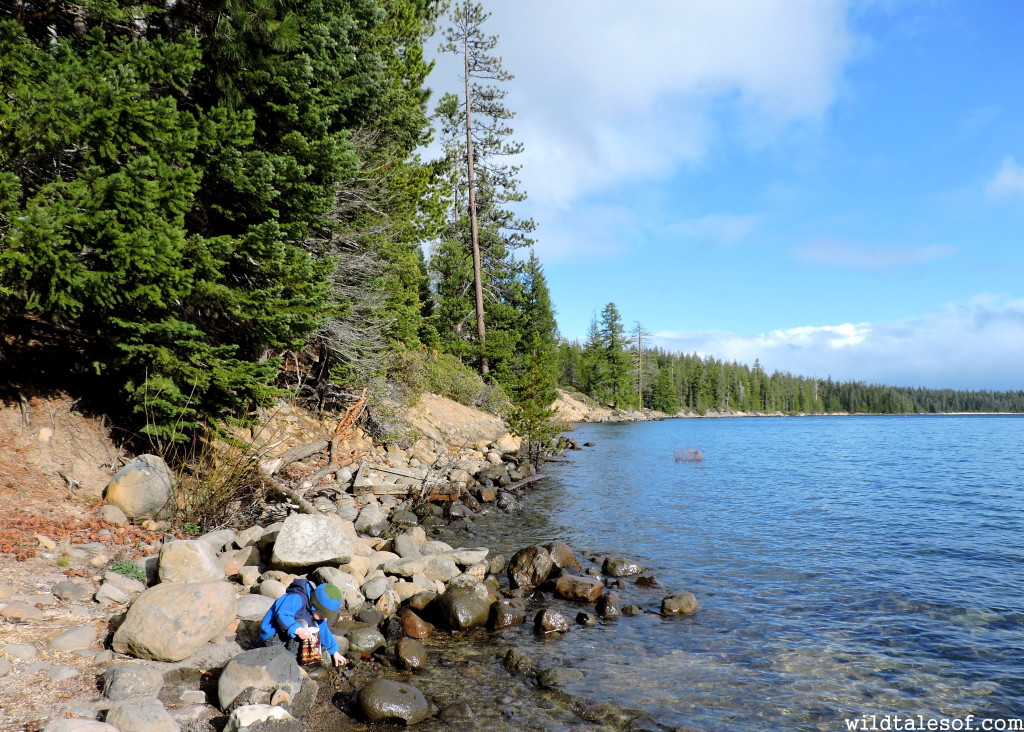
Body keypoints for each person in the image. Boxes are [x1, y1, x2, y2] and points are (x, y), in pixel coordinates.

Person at [258, 579, 348, 668]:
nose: (324, 617)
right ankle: (288, 661)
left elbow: (323, 630)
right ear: (315, 604)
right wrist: (298, 630)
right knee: (302, 625)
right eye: (323, 614)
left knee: (309, 628)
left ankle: (292, 658)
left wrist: (334, 651)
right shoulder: (296, 598)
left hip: (287, 633)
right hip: (272, 634)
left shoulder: (314, 609)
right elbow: (282, 615)